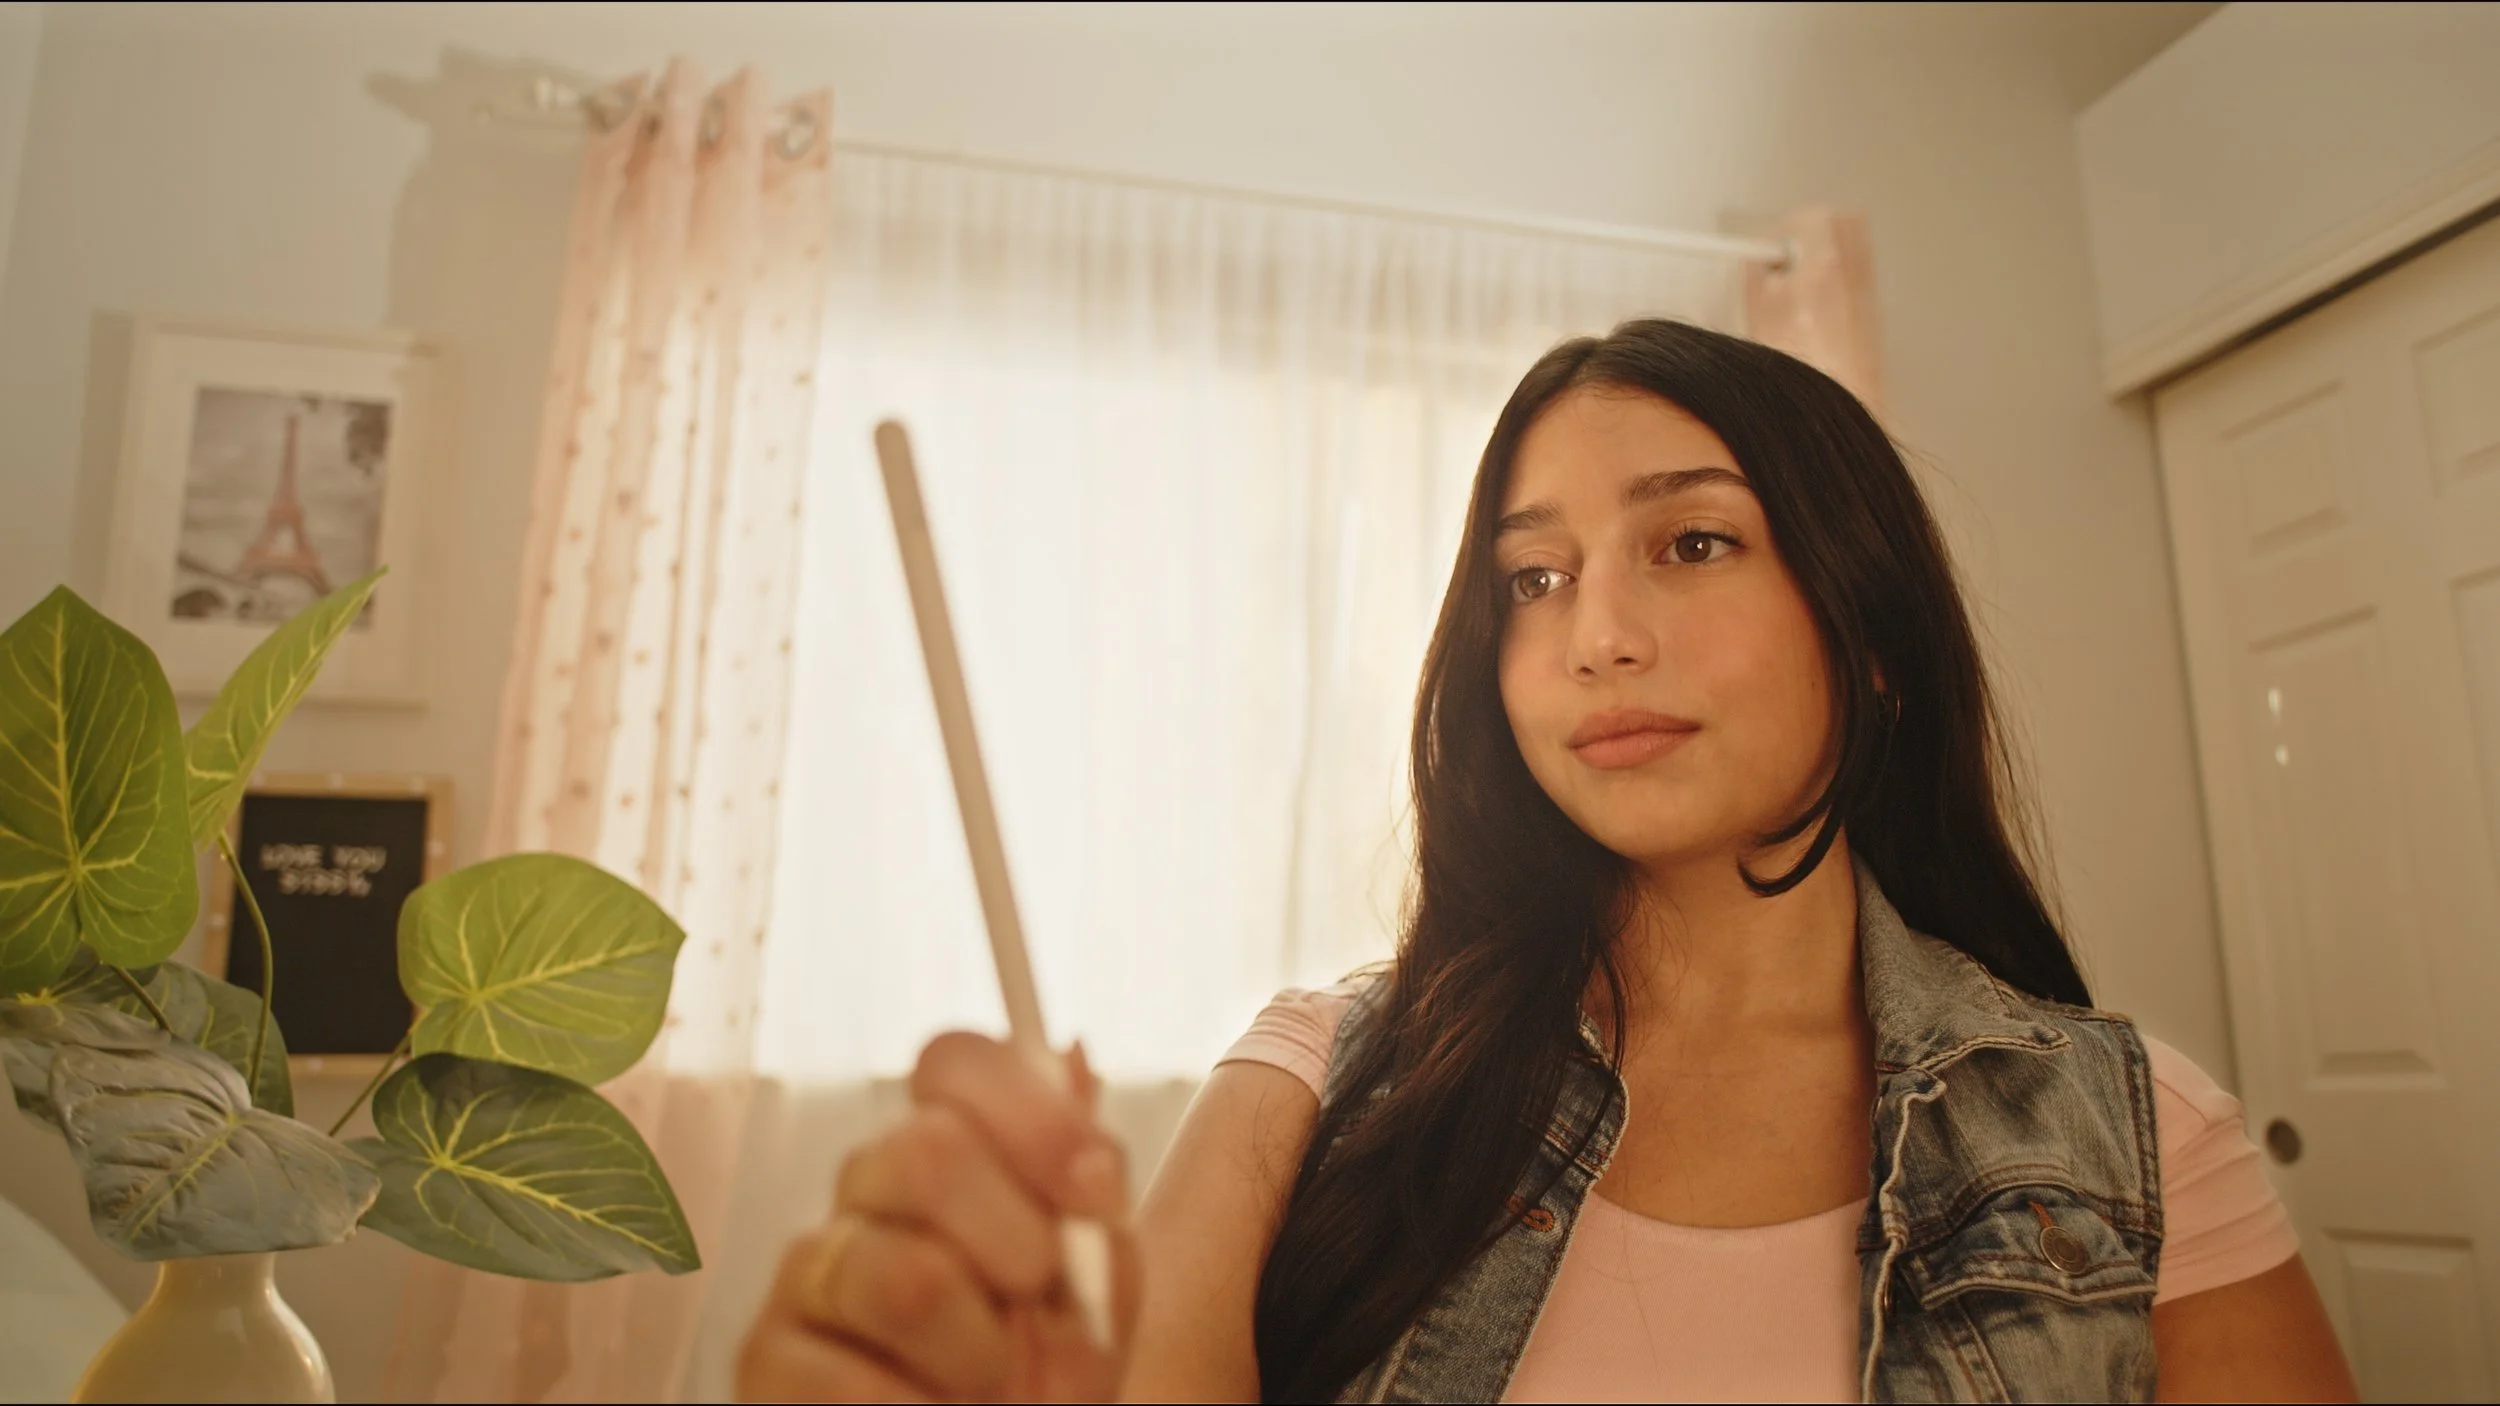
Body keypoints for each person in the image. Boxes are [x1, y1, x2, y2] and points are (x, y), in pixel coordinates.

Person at [736, 320, 2360, 1403]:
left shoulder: (2138, 1138)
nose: (1596, 634)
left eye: (1692, 541)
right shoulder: (1311, 1090)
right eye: (1533, 577)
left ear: (1871, 637)